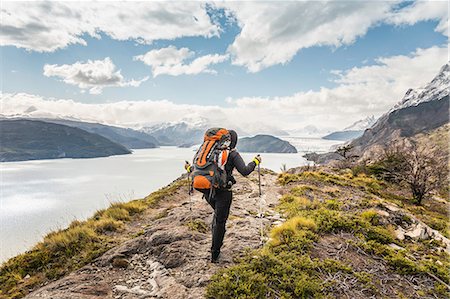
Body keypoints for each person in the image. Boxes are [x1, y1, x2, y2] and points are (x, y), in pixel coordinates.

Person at [185, 130, 261, 263]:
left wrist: (188, 169)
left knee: (217, 216)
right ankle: (215, 254)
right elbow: (245, 171)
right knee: (220, 221)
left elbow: (199, 169)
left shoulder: (209, 153)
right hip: (224, 192)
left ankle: (215, 241)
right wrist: (255, 161)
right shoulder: (232, 154)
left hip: (208, 191)